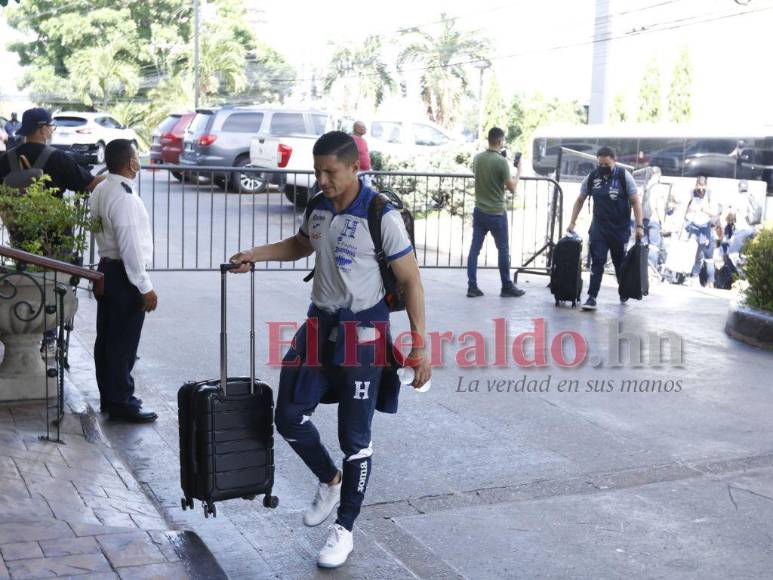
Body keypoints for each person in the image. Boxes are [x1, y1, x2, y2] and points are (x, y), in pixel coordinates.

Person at [229, 131, 430, 569]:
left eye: (331, 172)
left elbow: (411, 280)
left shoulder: (382, 215)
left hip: (365, 332)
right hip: (319, 324)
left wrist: (420, 344)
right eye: (318, 170)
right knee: (288, 416)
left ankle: (345, 528)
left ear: (355, 167)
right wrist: (254, 254)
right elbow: (302, 243)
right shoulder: (319, 205)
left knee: (354, 438)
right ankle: (330, 478)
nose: (323, 179)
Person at [91, 139, 158, 424]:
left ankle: (111, 396)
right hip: (124, 276)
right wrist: (145, 287)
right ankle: (121, 401)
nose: (139, 160)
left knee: (107, 339)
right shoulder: (124, 196)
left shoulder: (101, 188)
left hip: (108, 269)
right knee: (122, 342)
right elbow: (130, 246)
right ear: (130, 162)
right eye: (136, 156)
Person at [567, 146, 644, 310]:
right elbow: (580, 199)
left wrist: (639, 226)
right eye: (600, 164)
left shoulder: (624, 176)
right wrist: (572, 222)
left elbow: (636, 202)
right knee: (598, 261)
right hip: (599, 228)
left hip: (619, 229)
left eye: (606, 165)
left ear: (614, 161)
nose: (603, 168)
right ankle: (591, 297)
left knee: (619, 263)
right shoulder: (592, 177)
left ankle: (623, 290)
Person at [466, 127, 524, 298]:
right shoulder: (501, 162)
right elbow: (511, 187)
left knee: (474, 250)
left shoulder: (478, 158)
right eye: (503, 140)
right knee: (503, 250)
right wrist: (519, 171)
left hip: (479, 211)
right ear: (499, 141)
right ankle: (506, 286)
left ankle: (472, 286)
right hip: (497, 213)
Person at [0, 108, 102, 197]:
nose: (53, 130)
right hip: (50, 218)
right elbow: (90, 184)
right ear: (43, 130)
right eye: (51, 126)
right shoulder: (57, 157)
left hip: (10, 218)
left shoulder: (6, 157)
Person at [684, 175, 719, 287]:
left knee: (703, 253)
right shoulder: (692, 193)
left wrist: (703, 209)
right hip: (693, 225)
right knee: (692, 250)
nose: (701, 189)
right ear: (696, 185)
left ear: (706, 186)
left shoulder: (710, 194)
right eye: (699, 186)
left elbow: (714, 213)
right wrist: (690, 209)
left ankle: (708, 280)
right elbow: (685, 209)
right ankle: (693, 277)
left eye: (703, 187)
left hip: (705, 227)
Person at [721, 179, 761, 267]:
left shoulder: (737, 198)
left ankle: (742, 276)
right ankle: (750, 273)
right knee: (745, 255)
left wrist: (728, 219)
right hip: (752, 230)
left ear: (739, 187)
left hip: (742, 230)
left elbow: (731, 217)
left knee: (733, 254)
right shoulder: (751, 196)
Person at [351, 121, 372, 187]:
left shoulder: (363, 140)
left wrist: (369, 168)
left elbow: (365, 155)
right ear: (357, 128)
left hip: (366, 173)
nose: (365, 129)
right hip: (357, 173)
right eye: (363, 127)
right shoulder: (351, 140)